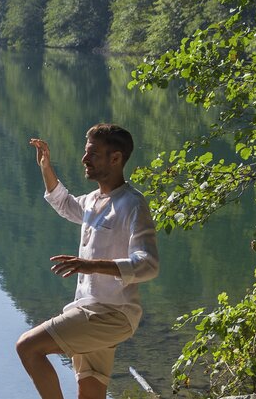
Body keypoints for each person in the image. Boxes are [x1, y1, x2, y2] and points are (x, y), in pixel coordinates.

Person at [14, 124, 160, 399]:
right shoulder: (94, 200)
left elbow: (148, 264)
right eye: (86, 152)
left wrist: (91, 265)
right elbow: (65, 204)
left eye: (92, 154)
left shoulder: (133, 205)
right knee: (90, 390)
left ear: (115, 158)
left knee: (28, 347)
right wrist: (46, 167)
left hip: (111, 315)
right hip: (90, 309)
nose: (84, 159)